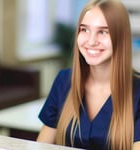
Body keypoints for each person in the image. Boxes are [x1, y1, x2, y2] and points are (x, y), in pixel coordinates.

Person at [37, 0, 140, 149]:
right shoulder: (64, 80)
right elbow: (40, 146)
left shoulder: (137, 92)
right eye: (84, 30)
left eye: (103, 32)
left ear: (121, 37)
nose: (91, 41)